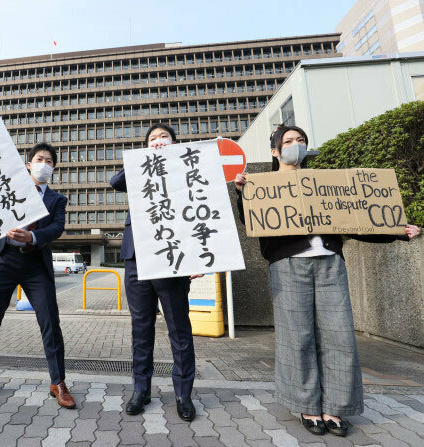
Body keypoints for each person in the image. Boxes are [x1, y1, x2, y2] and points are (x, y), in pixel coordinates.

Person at [234, 124, 420, 437]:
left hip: (331, 262)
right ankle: (307, 406)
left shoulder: (325, 184)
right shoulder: (261, 184)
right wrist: (242, 193)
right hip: (288, 264)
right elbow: (252, 221)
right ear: (275, 151)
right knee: (297, 337)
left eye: (301, 140)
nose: (296, 145)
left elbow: (358, 221)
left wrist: (395, 231)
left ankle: (335, 408)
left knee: (340, 336)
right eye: (289, 141)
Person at [0, 109, 76, 409]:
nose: (44, 165)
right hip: (4, 260)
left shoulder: (57, 200)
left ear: (54, 169)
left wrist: (33, 238)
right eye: (39, 160)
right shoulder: (6, 184)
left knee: (50, 323)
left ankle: (58, 382)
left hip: (36, 265)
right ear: (27, 164)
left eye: (49, 162)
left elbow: (56, 228)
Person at [110, 123, 201, 422]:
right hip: (137, 257)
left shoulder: (185, 171)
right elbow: (116, 182)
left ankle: (183, 393)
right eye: (153, 139)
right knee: (141, 327)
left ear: (176, 144)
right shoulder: (138, 170)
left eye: (164, 138)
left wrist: (197, 258)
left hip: (172, 258)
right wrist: (144, 157)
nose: (159, 141)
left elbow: (200, 208)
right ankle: (141, 389)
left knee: (179, 327)